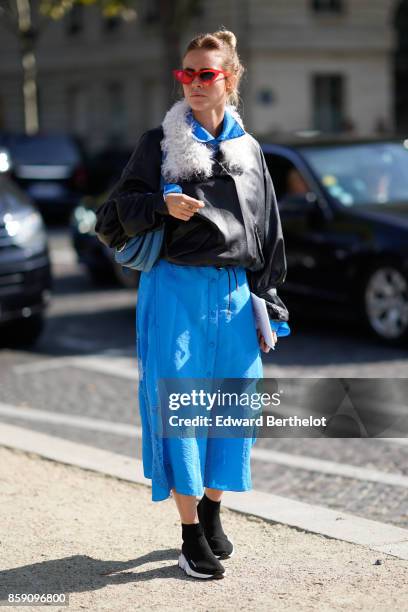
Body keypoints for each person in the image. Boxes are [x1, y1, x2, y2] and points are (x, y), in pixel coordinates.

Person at [95, 28, 290, 580]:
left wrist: (268, 298)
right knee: (180, 411)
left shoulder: (249, 150)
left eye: (207, 74)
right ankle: (188, 537)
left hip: (232, 294)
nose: (195, 83)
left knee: (235, 408)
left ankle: (211, 510)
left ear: (230, 79)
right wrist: (160, 205)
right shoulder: (159, 142)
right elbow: (109, 219)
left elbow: (268, 228)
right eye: (187, 73)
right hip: (175, 289)